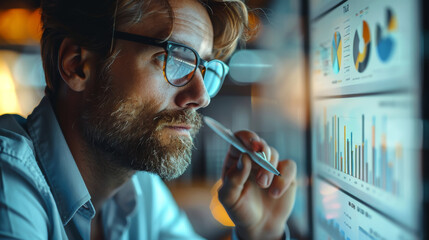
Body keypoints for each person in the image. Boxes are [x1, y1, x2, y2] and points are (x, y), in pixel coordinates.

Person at [0, 0, 297, 239]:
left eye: (205, 69)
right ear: (77, 65)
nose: (202, 96)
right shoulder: (9, 182)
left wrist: (261, 232)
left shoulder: (139, 188)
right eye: (174, 59)